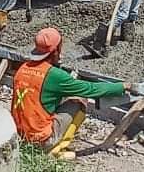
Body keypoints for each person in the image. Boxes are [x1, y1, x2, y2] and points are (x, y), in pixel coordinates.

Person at [11, 27, 133, 159]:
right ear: (56, 50)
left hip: (19, 134)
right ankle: (54, 149)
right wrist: (121, 87)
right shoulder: (54, 75)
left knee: (57, 100)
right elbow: (91, 89)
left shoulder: (23, 68)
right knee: (80, 100)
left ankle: (41, 144)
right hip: (40, 138)